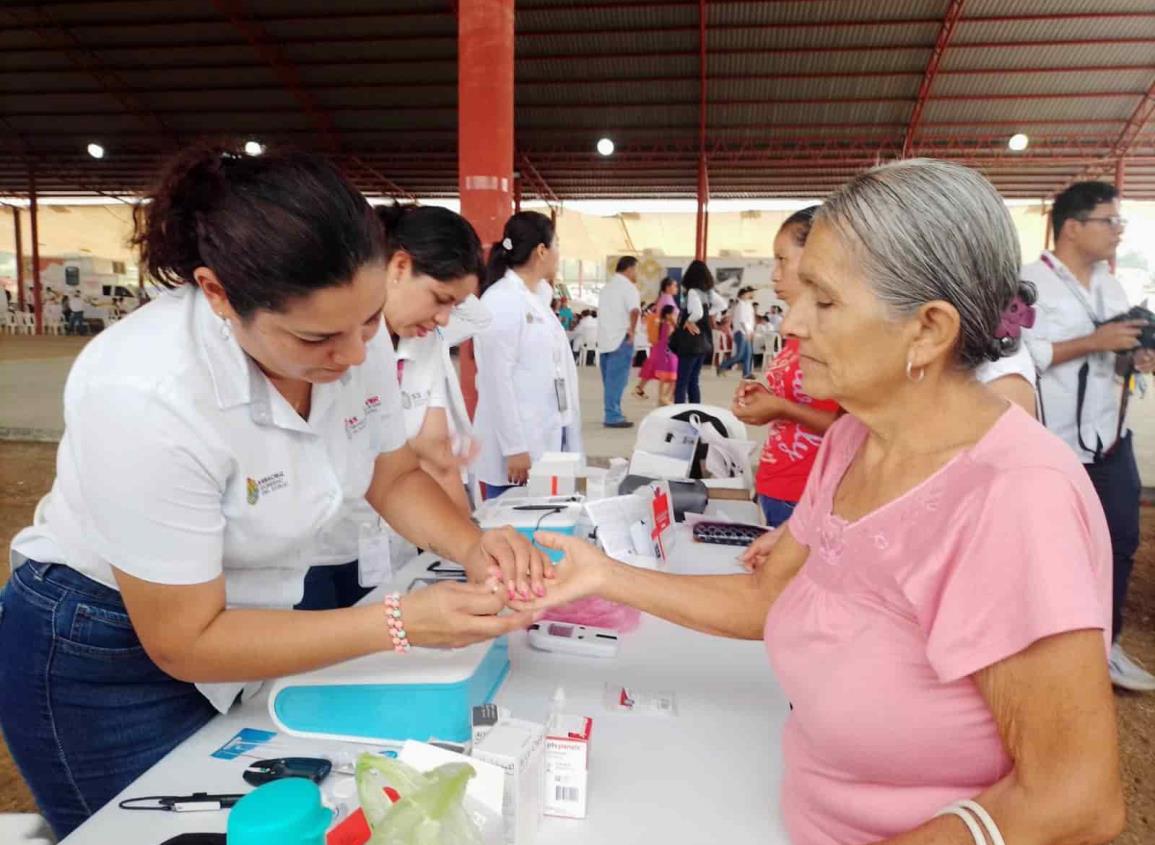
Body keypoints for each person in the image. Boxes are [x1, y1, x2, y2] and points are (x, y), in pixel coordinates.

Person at [522, 159, 1125, 845]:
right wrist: (602, 573)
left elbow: (1074, 800)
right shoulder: (850, 441)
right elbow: (767, 598)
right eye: (798, 291)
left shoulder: (1014, 497)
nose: (791, 324)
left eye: (825, 300)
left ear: (927, 329)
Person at [0, 144, 547, 838]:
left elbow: (391, 471)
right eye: (316, 336)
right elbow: (185, 639)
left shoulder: (350, 329)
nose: (354, 356)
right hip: (105, 655)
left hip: (239, 620)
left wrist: (473, 544)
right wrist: (403, 622)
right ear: (220, 293)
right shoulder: (144, 391)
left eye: (371, 320)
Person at [1023, 180, 1155, 692]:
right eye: (1110, 221)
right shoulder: (1027, 283)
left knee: (1121, 540)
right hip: (1050, 443)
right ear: (1073, 227)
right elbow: (1019, 354)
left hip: (1110, 437)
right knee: (1051, 549)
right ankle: (1042, 650)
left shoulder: (1113, 285)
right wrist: (1093, 341)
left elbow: (1114, 352)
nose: (1118, 232)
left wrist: (1134, 356)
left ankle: (1107, 645)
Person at [733, 208, 840, 528]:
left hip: (806, 491)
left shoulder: (837, 337)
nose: (774, 275)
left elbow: (850, 428)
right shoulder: (799, 332)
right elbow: (797, 400)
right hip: (775, 484)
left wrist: (781, 407)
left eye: (782, 260)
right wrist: (764, 399)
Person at [473, 211, 583, 500]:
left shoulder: (538, 300)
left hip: (547, 433)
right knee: (512, 529)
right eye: (556, 244)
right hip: (518, 452)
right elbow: (496, 381)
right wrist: (514, 447)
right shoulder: (502, 300)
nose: (559, 253)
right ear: (542, 250)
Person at [596, 256, 641, 428]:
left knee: (609, 381)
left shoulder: (606, 288)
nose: (637, 274)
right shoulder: (629, 288)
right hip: (620, 338)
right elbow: (635, 310)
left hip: (605, 339)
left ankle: (612, 411)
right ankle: (613, 415)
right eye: (636, 270)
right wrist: (631, 330)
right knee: (617, 381)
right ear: (629, 269)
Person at [673, 260, 723, 404]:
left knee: (682, 381)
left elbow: (698, 312)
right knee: (693, 380)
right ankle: (696, 410)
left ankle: (680, 412)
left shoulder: (693, 292)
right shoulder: (709, 293)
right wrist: (709, 313)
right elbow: (722, 304)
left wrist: (690, 320)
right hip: (704, 342)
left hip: (690, 343)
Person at [635, 276, 680, 399]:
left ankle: (640, 388)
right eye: (674, 285)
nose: (676, 288)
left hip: (661, 337)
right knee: (666, 366)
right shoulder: (667, 300)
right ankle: (664, 396)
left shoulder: (664, 298)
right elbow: (668, 319)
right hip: (666, 337)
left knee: (654, 363)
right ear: (667, 287)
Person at [718, 285, 756, 378]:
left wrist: (752, 331)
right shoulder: (740, 305)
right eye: (750, 292)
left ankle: (746, 374)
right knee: (739, 355)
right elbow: (742, 320)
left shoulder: (749, 304)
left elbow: (751, 320)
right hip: (741, 332)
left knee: (748, 354)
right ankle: (722, 366)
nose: (752, 294)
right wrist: (747, 332)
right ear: (743, 294)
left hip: (748, 332)